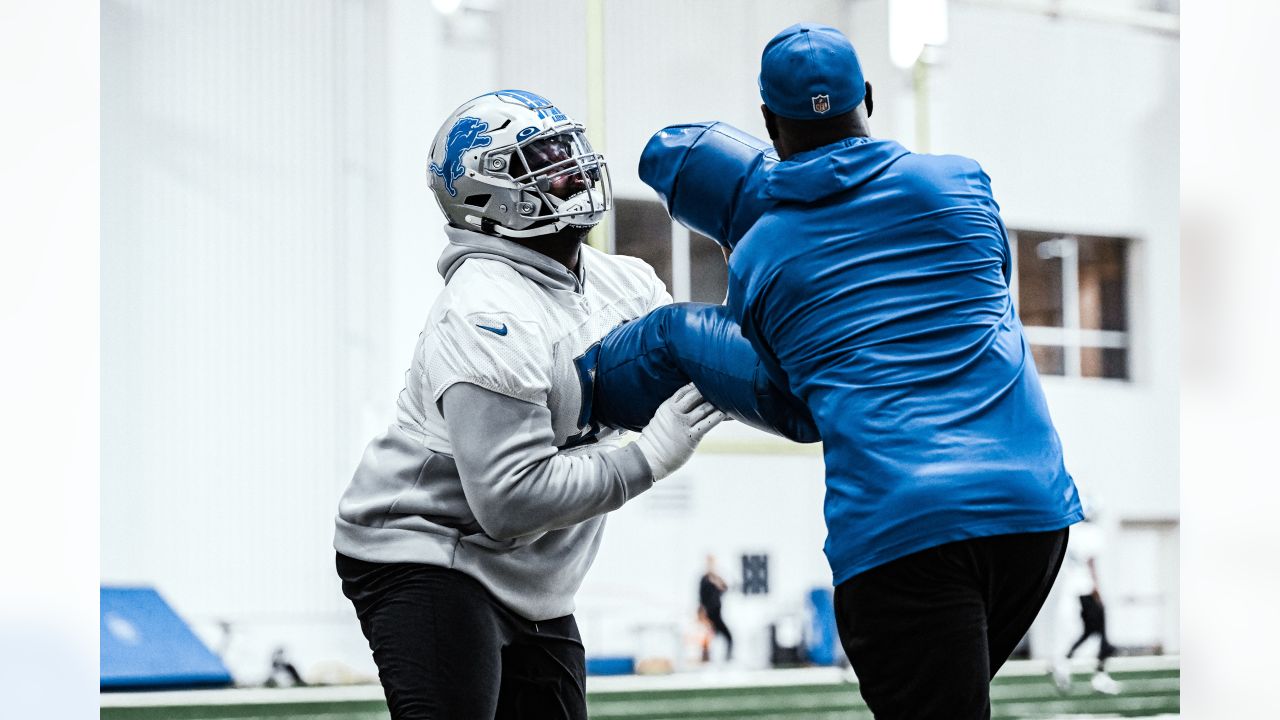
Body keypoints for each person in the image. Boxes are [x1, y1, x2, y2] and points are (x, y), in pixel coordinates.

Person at [694, 24, 1084, 719]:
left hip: (901, 529)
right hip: (1030, 511)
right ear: (868, 97)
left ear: (765, 123)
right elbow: (991, 285)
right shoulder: (961, 179)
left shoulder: (756, 257)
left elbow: (791, 399)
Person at [332, 89, 726, 719]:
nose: (570, 170)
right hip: (428, 547)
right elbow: (508, 500)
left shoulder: (623, 282)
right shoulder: (486, 309)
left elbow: (714, 367)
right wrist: (646, 456)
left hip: (533, 574)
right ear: (483, 194)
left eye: (568, 152)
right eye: (540, 159)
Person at [1062, 501, 1120, 694]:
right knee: (1101, 631)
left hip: (1076, 589)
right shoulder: (1090, 534)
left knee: (1090, 630)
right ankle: (1100, 674)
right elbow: (1090, 562)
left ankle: (1066, 661)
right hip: (1086, 587)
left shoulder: (1073, 533)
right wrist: (1096, 587)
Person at [697, 554, 733, 661]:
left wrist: (717, 581)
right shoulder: (704, 579)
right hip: (709, 614)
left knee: (727, 637)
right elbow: (701, 597)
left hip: (717, 613)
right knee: (708, 638)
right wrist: (702, 614)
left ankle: (726, 658)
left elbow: (725, 588)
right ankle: (706, 659)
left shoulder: (716, 578)